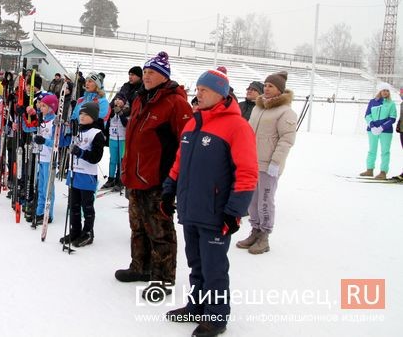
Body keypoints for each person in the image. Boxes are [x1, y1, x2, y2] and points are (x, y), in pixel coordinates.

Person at [162, 68, 258, 337]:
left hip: (217, 213)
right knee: (196, 263)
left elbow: (247, 172)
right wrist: (169, 189)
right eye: (197, 89)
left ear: (221, 93)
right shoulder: (193, 122)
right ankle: (196, 306)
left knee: (214, 268)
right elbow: (180, 162)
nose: (198, 93)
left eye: (203, 90)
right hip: (191, 209)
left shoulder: (238, 126)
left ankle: (216, 318)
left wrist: (235, 211)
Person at [116, 51, 193, 301]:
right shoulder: (140, 98)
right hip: (135, 176)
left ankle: (163, 279)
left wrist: (176, 178)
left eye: (152, 73)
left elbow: (186, 143)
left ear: (164, 76)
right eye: (146, 72)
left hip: (159, 179)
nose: (147, 76)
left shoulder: (175, 103)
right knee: (137, 226)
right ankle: (141, 266)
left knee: (160, 231)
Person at [236, 71, 297, 255]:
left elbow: (286, 139)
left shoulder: (286, 112)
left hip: (269, 164)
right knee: (252, 201)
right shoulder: (258, 108)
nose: (266, 88)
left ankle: (265, 235)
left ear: (279, 89)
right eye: (266, 85)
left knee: (265, 200)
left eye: (271, 85)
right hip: (251, 162)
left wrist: (276, 162)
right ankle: (255, 230)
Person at [61, 101, 105, 247]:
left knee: (86, 206)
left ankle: (87, 232)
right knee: (73, 204)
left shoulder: (96, 134)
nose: (82, 117)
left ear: (93, 117)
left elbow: (95, 158)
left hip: (87, 176)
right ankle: (75, 231)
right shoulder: (76, 130)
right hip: (74, 173)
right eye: (81, 113)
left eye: (86, 115)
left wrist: (80, 152)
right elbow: (63, 142)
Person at [359, 82, 397, 179]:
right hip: (372, 130)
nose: (385, 92)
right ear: (380, 91)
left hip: (386, 131)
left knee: (385, 151)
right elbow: (367, 115)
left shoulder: (391, 104)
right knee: (372, 150)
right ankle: (369, 170)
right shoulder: (372, 102)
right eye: (383, 90)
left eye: (387, 91)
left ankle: (383, 172)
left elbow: (392, 118)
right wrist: (372, 126)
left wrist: (381, 128)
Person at [32, 93, 59, 226]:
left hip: (49, 159)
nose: (40, 107)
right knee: (41, 187)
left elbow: (56, 142)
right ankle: (39, 211)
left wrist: (43, 141)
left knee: (48, 187)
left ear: (51, 108)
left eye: (44, 105)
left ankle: (49, 213)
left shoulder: (54, 121)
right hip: (41, 158)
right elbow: (30, 129)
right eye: (41, 105)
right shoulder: (43, 120)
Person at [102, 94, 128, 190]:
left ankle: (120, 180)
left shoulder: (126, 111)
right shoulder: (112, 111)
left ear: (124, 102)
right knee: (113, 160)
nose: (117, 101)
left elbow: (126, 124)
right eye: (116, 99)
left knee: (121, 160)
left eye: (120, 99)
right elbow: (107, 123)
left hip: (122, 140)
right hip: (112, 139)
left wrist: (121, 114)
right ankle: (111, 179)